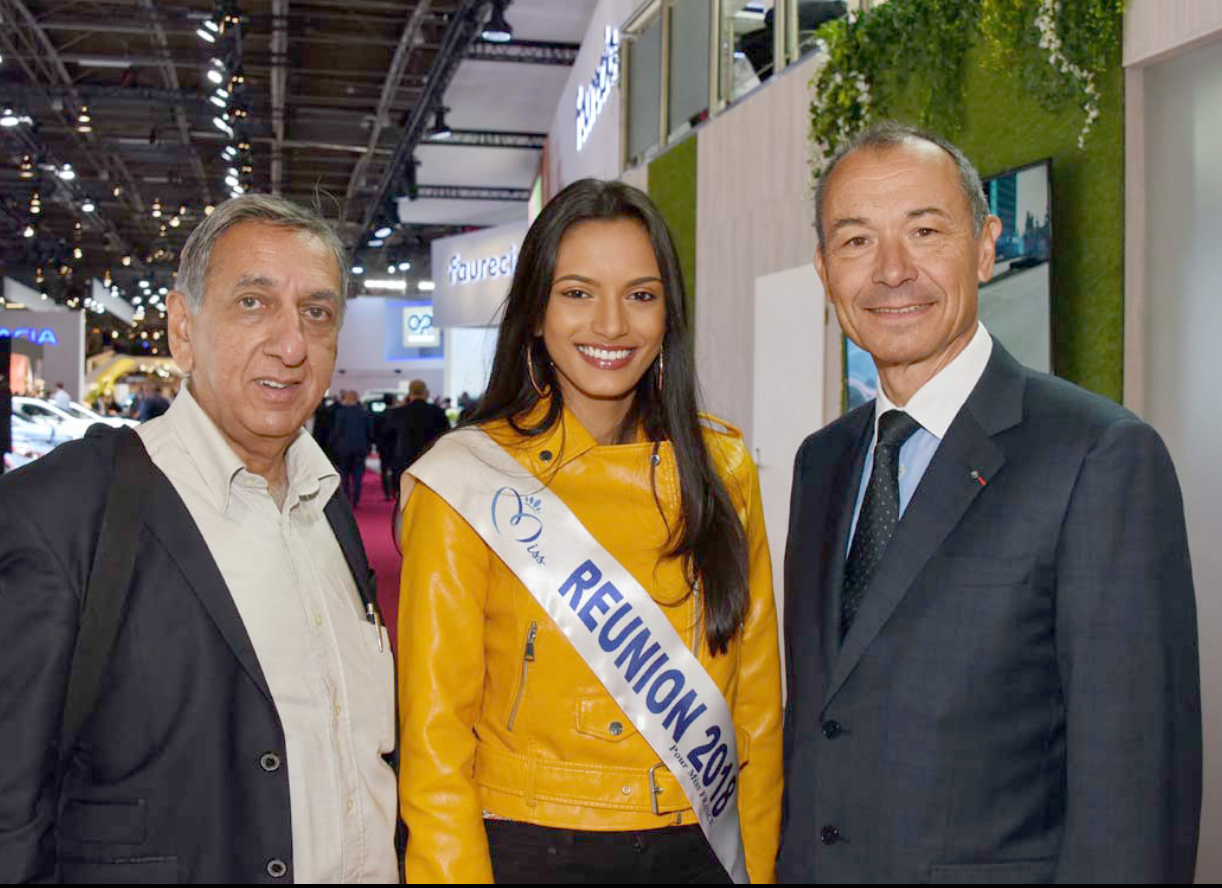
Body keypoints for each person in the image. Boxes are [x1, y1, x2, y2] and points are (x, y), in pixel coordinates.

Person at [778, 121, 1201, 883]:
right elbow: (822, 732)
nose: (892, 272)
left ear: (987, 245)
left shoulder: (1098, 457)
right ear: (823, 268)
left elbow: (1136, 790)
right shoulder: (822, 464)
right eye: (856, 242)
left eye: (925, 230)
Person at [0, 193, 397, 882]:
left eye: (317, 312)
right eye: (253, 302)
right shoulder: (65, 515)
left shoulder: (325, 505)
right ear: (182, 329)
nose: (292, 343)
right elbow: (1, 820)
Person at [396, 179, 782, 883]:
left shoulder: (723, 468)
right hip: (535, 847)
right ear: (535, 313)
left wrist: (756, 869)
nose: (611, 325)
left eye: (641, 295)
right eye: (577, 293)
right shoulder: (465, 480)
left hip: (700, 844)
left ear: (669, 315)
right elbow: (434, 740)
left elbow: (756, 705)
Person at [381, 379, 449, 495]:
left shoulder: (398, 413)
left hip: (404, 462)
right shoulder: (437, 412)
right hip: (430, 462)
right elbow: (445, 438)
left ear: (409, 393)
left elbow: (387, 439)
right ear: (426, 392)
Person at [328, 390, 371, 504]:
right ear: (357, 399)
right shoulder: (364, 413)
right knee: (358, 475)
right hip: (360, 449)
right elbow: (370, 433)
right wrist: (368, 446)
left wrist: (332, 447)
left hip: (343, 449)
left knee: (345, 474)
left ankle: (346, 496)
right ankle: (356, 498)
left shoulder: (341, 413)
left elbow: (336, 432)